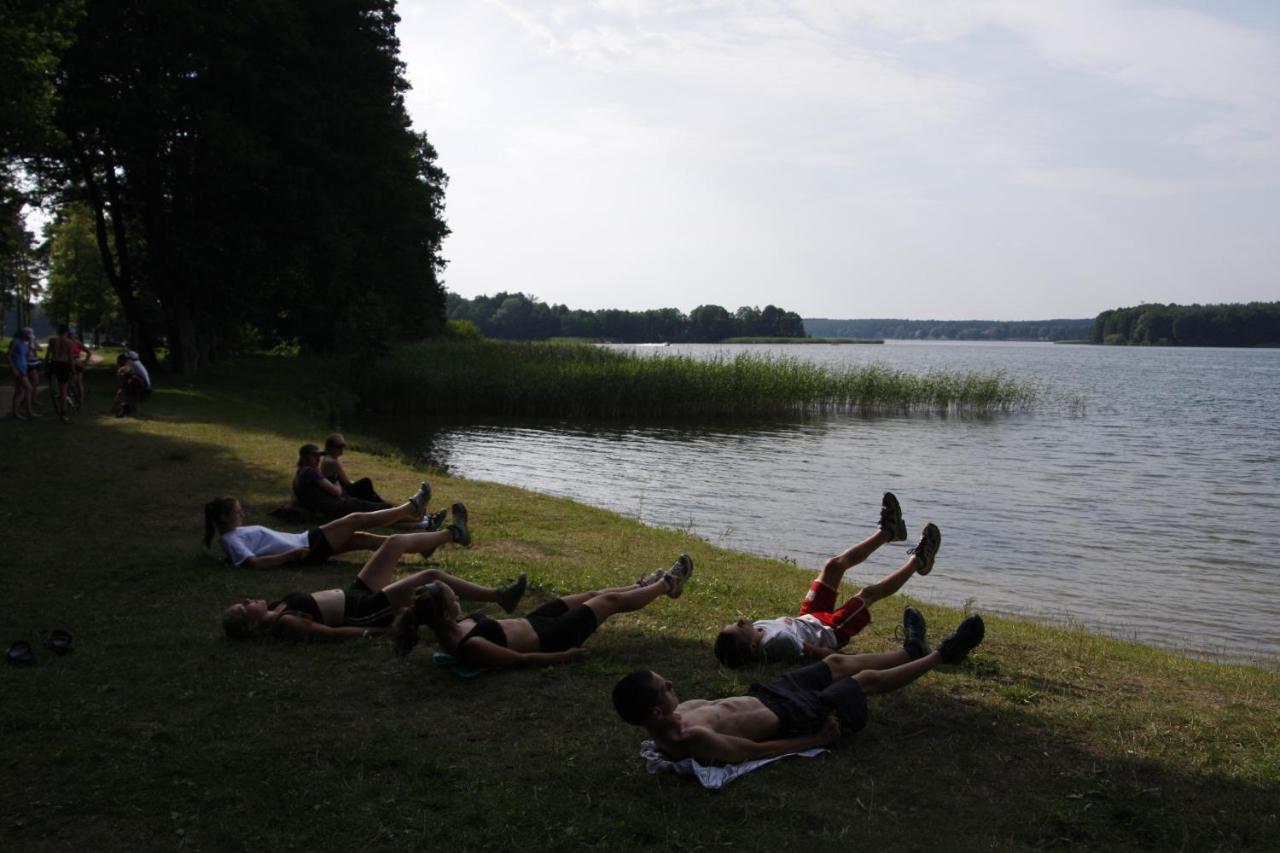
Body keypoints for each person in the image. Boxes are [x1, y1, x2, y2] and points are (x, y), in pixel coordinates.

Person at [613, 611, 986, 763]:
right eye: (665, 687)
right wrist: (814, 739)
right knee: (863, 682)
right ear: (656, 712)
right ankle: (943, 654)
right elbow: (751, 751)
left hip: (770, 693)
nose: (672, 683)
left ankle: (909, 650)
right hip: (795, 715)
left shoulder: (680, 711)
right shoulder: (690, 737)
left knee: (834, 664)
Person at [714, 493, 940, 667]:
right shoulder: (777, 644)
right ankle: (919, 561)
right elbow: (814, 653)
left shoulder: (757, 634)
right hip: (830, 631)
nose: (741, 622)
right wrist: (841, 658)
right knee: (868, 594)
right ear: (753, 647)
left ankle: (889, 532)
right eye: (739, 629)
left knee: (833, 566)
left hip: (808, 618)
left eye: (735, 624)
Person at [396, 554, 696, 665]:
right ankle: (668, 583)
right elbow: (516, 659)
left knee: (591, 594)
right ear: (446, 612)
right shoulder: (469, 645)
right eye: (454, 597)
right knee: (608, 603)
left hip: (534, 620)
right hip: (553, 636)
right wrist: (563, 656)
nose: (458, 599)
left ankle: (642, 585)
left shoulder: (448, 628)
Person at [222, 544, 527, 641]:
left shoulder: (278, 608)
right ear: (251, 624)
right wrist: (377, 630)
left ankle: (431, 537)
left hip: (355, 593)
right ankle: (500, 596)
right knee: (430, 576)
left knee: (393, 542)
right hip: (363, 609)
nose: (248, 600)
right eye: (244, 607)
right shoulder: (284, 622)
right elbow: (328, 633)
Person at [204, 482, 451, 569]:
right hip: (307, 545)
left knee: (363, 538)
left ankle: (421, 547)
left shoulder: (232, 536)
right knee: (356, 519)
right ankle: (411, 508)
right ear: (224, 518)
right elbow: (253, 564)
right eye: (237, 512)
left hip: (306, 542)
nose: (242, 514)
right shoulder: (231, 540)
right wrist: (291, 556)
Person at [293, 442, 391, 519]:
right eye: (315, 455)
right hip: (336, 508)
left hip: (323, 509)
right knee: (384, 507)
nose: (318, 458)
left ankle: (396, 515)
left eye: (319, 455)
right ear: (306, 457)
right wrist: (336, 480)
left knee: (371, 505)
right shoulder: (311, 472)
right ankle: (397, 514)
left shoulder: (299, 473)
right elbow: (336, 492)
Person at [320, 432, 387, 504]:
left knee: (367, 487)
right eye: (339, 447)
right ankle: (380, 504)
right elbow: (348, 483)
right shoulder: (332, 462)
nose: (341, 450)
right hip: (343, 492)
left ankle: (381, 503)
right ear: (330, 447)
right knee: (366, 482)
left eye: (343, 447)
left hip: (340, 488)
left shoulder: (327, 458)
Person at [47, 325, 76, 420]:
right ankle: (63, 413)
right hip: (63, 365)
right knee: (63, 390)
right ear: (66, 332)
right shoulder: (69, 342)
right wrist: (73, 370)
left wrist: (46, 366)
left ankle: (56, 406)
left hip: (54, 363)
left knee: (54, 387)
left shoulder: (52, 340)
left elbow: (48, 354)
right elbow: (71, 358)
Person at [8, 328, 35, 420]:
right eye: (28, 336)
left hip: (24, 368)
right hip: (18, 369)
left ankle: (17, 412)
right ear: (23, 335)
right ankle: (27, 411)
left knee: (19, 391)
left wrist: (30, 344)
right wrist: (13, 369)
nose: (29, 338)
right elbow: (9, 356)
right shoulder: (15, 342)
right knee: (29, 388)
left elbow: (27, 355)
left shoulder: (25, 343)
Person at [113, 351, 151, 416]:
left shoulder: (131, 363)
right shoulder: (137, 363)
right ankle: (118, 410)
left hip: (142, 389)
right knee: (123, 389)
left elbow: (121, 373)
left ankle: (127, 410)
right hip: (145, 388)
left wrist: (120, 371)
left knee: (123, 389)